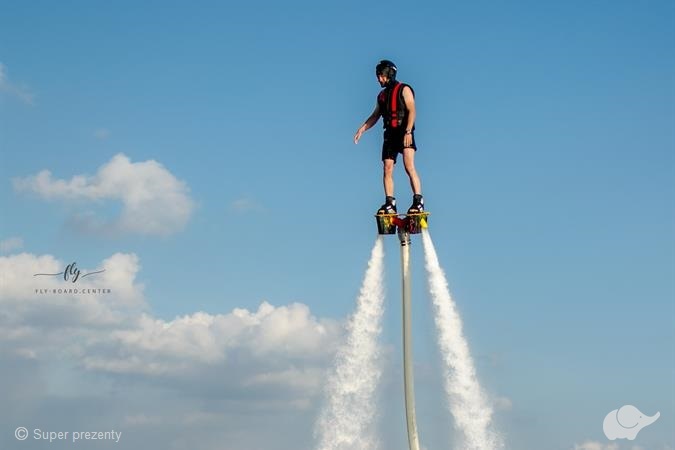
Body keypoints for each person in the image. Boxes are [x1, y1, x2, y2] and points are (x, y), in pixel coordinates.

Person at [354, 59, 424, 215]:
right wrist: (362, 129)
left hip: (404, 132)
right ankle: (390, 203)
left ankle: (418, 201)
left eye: (380, 76)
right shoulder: (382, 96)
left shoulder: (404, 89)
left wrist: (408, 132)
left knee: (409, 166)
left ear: (388, 75)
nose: (379, 79)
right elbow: (375, 116)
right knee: (387, 168)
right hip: (390, 135)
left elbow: (412, 110)